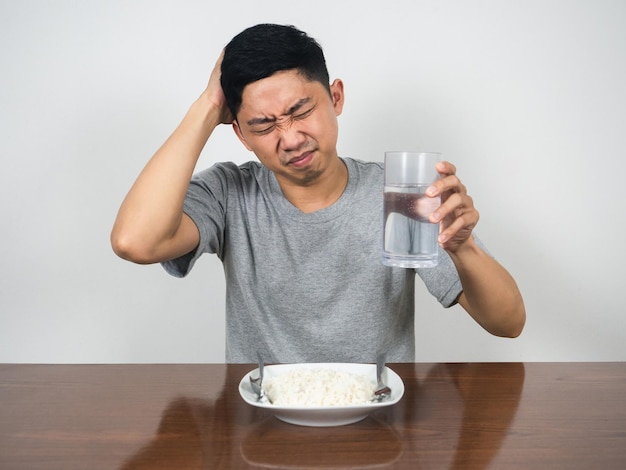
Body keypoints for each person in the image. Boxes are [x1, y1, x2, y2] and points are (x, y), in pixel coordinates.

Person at [111, 24, 525, 363]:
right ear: (239, 134)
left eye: (301, 111)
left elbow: (508, 323)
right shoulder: (228, 193)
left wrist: (464, 248)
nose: (290, 139)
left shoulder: (398, 195)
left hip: (377, 428)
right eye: (263, 125)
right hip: (259, 430)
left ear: (336, 97)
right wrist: (206, 107)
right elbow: (135, 241)